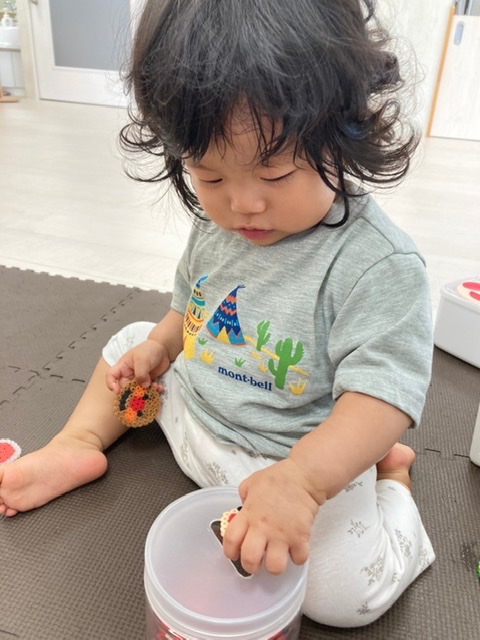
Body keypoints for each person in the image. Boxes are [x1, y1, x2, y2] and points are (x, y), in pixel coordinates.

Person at [0, 0, 435, 628]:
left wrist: (304, 482)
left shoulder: (377, 265)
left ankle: (394, 486)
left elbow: (383, 395)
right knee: (130, 342)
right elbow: (191, 306)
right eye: (209, 176)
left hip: (295, 461)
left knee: (344, 599)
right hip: (199, 414)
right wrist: (160, 348)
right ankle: (79, 442)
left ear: (345, 133)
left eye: (275, 173)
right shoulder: (219, 224)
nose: (242, 205)